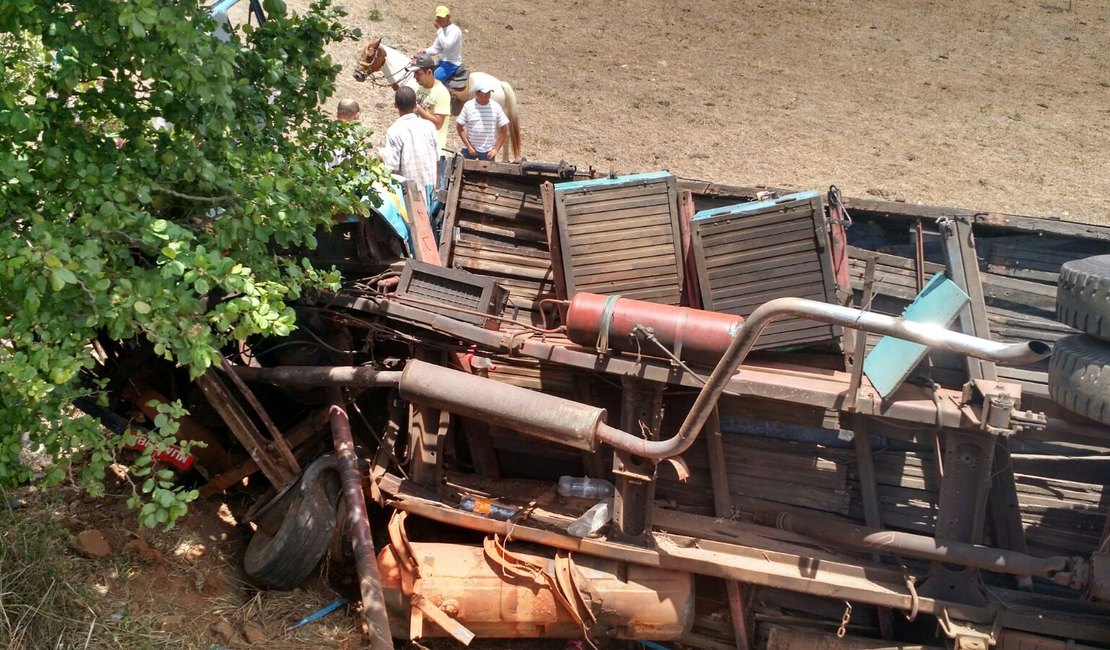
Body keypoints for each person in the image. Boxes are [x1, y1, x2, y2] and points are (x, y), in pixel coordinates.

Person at [380, 87, 439, 199]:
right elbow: (438, 161)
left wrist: (382, 157)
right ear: (416, 104)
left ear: (395, 105)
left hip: (409, 198)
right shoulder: (429, 126)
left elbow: (393, 168)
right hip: (431, 195)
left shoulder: (394, 131)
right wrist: (437, 189)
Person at [406, 54, 451, 157]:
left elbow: (438, 124)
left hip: (433, 151)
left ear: (429, 72)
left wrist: (418, 107)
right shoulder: (419, 88)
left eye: (418, 73)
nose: (414, 77)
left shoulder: (441, 92)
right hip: (418, 146)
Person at [455, 79, 509, 161]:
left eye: (488, 94)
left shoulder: (496, 107)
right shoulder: (468, 106)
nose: (486, 97)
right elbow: (459, 126)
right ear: (477, 93)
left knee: (486, 173)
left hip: (487, 151)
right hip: (469, 149)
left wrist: (496, 149)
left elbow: (504, 129)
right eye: (483, 94)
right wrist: (469, 146)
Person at [418, 5, 463, 85]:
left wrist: (439, 30)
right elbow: (436, 48)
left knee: (430, 80)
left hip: (452, 63)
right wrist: (424, 51)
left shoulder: (454, 30)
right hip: (442, 62)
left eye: (443, 17)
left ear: (448, 17)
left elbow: (447, 45)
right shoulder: (442, 31)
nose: (441, 20)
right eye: (439, 17)